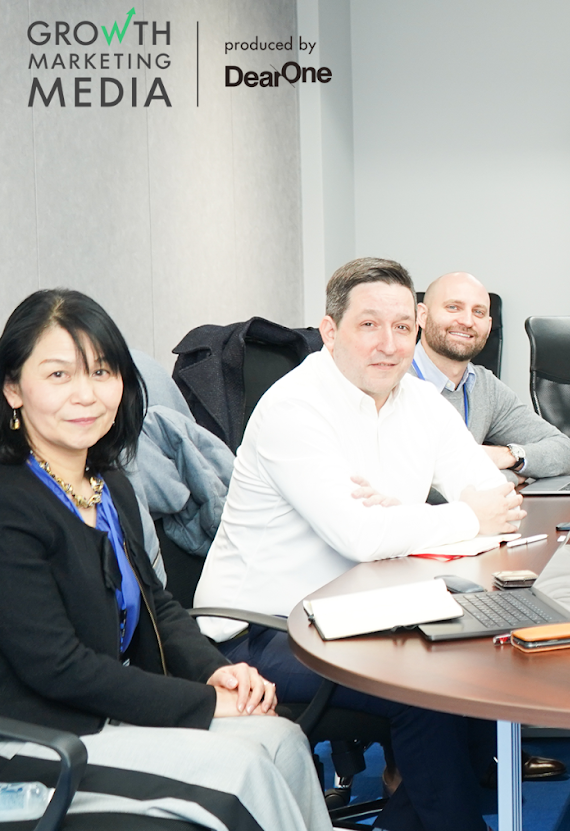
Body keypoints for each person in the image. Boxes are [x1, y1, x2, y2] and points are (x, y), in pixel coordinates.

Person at [196, 257, 529, 831]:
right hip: (266, 631)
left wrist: (401, 517)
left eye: (402, 327)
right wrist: (443, 517)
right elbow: (361, 537)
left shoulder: (420, 402)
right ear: (330, 331)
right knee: (428, 692)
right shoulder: (294, 408)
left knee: (480, 671)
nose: (389, 345)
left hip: (367, 611)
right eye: (369, 325)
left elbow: (497, 503)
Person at [0, 289, 330, 831]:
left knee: (282, 740)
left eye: (102, 372)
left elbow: (157, 604)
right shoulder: (12, 502)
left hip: (109, 712)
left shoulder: (108, 485)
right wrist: (201, 702)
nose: (86, 394)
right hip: (40, 740)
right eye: (59, 375)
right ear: (13, 387)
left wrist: (214, 672)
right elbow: (59, 668)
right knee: (245, 770)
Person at [415, 272, 570, 479]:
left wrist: (507, 456)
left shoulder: (484, 386)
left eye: (478, 312)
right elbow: (414, 482)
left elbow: (565, 452)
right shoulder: (393, 381)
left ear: (489, 325)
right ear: (422, 315)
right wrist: (511, 477)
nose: (467, 321)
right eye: (453, 307)